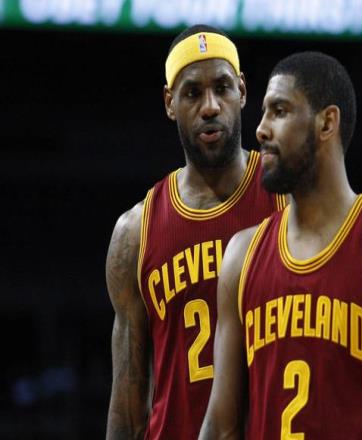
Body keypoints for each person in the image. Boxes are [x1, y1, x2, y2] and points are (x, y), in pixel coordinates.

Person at [199, 52, 362, 439]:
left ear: (327, 122)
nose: (261, 130)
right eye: (264, 113)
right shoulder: (242, 256)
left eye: (279, 111)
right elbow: (220, 428)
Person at [105, 25, 286, 440]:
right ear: (170, 103)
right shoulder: (136, 232)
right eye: (192, 93)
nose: (210, 106)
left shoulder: (290, 200)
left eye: (222, 88)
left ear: (242, 91)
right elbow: (128, 404)